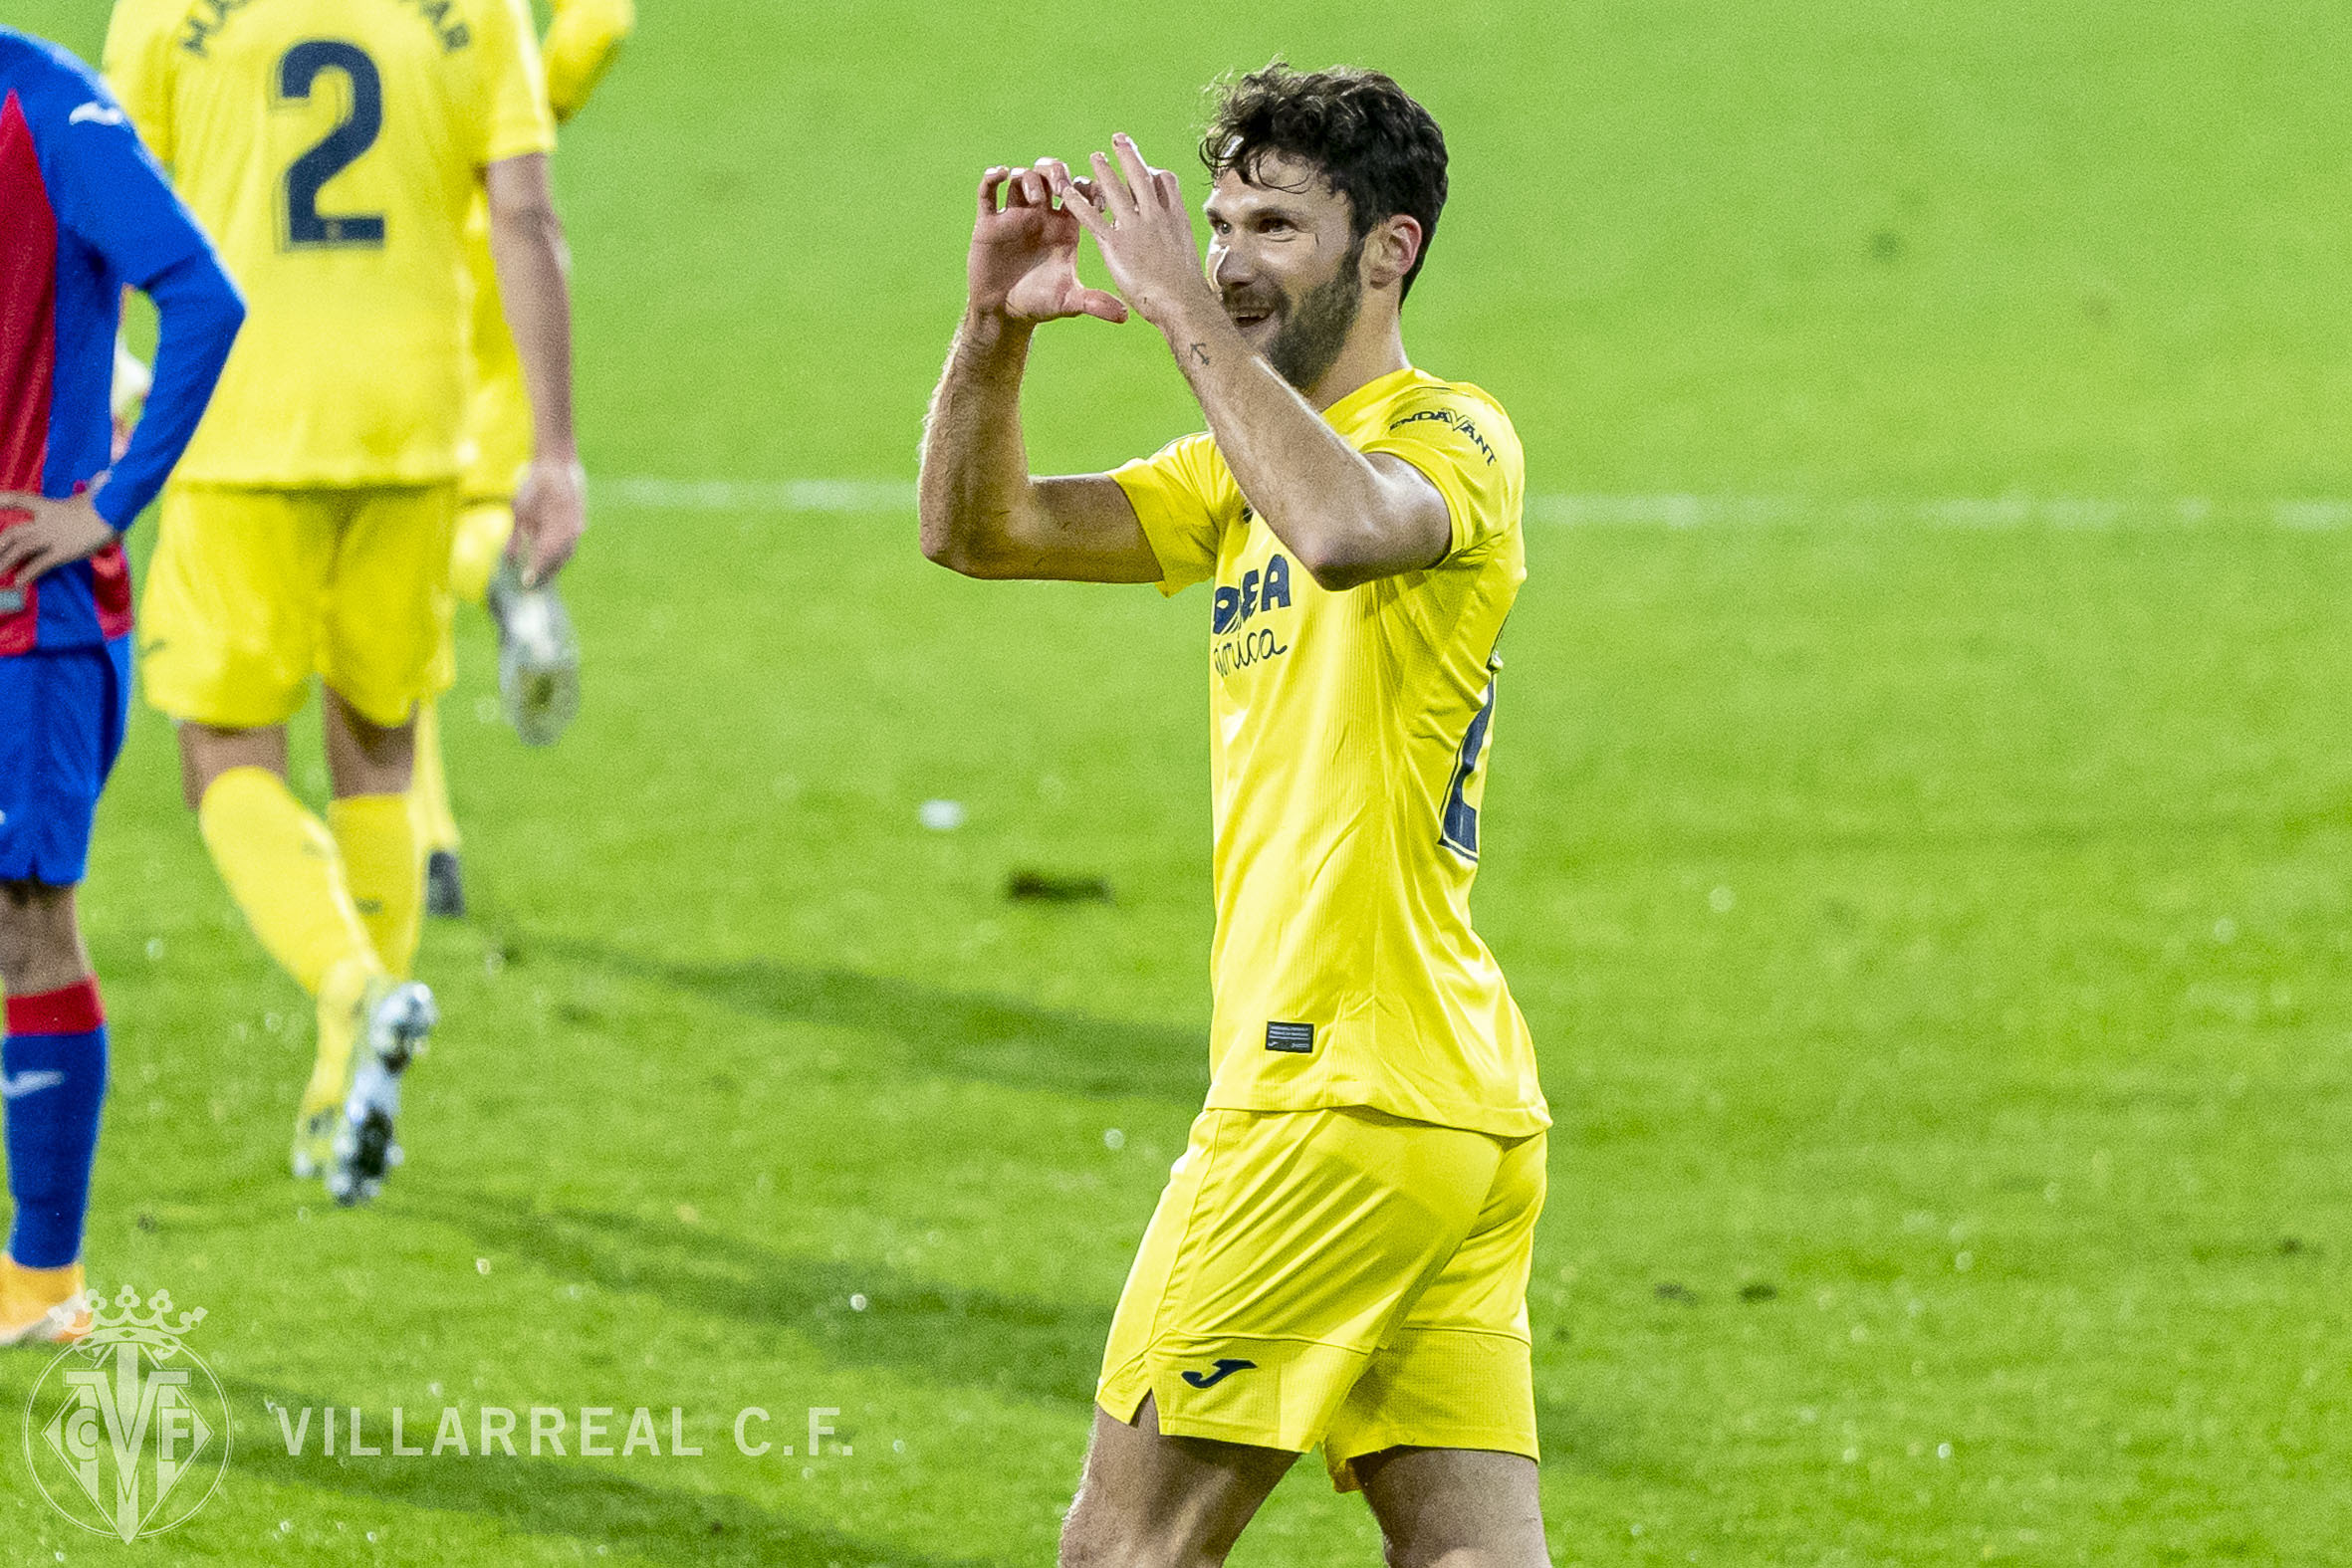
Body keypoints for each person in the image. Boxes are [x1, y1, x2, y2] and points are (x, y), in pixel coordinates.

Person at [918, 63, 1551, 1568]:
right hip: (1441, 1113)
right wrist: (991, 325)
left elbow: (1344, 528)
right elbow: (975, 530)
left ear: (1386, 249)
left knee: (1122, 1547)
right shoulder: (1230, 479)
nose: (1223, 257)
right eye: (1212, 222)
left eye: (1274, 224)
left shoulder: (1452, 434)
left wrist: (1180, 314)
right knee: (1467, 1552)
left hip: (1329, 1092)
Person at [104, 0, 587, 1206]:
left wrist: (107, 383)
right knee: (378, 749)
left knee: (224, 756)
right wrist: (554, 448)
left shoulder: (163, 10)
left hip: (235, 427)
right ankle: (342, 1088)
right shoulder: (475, 10)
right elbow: (526, 211)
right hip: (412, 437)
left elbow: (103, 206)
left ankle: (352, 991)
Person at [0, 25, 242, 1344]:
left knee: (24, 920)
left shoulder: (56, 115)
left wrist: (108, 501)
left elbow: (205, 297)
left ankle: (43, 1280)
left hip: (25, 617)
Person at [414, 0, 634, 919]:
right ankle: (502, 578)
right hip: (504, 264)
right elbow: (603, 26)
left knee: (390, 619)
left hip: (395, 283)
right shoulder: (493, 47)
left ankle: (426, 845)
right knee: (481, 517)